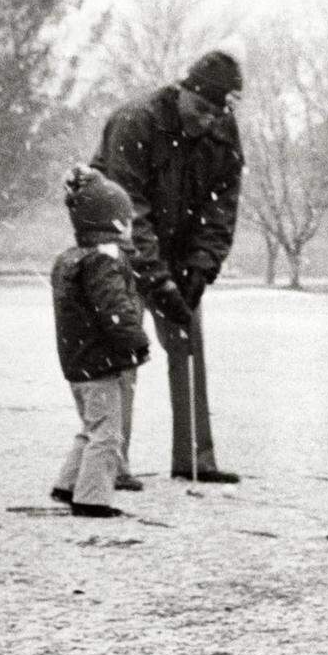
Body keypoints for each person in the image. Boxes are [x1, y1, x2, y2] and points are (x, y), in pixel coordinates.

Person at [92, 47, 245, 485]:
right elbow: (128, 210)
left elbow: (221, 207)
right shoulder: (134, 122)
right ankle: (112, 462)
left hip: (178, 249)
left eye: (216, 114)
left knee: (188, 347)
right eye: (199, 109)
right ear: (182, 91)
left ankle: (196, 458)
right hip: (115, 245)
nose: (206, 121)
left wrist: (201, 268)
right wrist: (157, 283)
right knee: (124, 349)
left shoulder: (223, 133)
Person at [49, 166, 150, 519]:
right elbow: (116, 310)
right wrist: (136, 343)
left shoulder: (70, 260)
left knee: (92, 427)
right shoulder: (104, 262)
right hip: (101, 363)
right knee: (108, 434)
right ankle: (92, 499)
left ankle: (68, 483)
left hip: (77, 363)